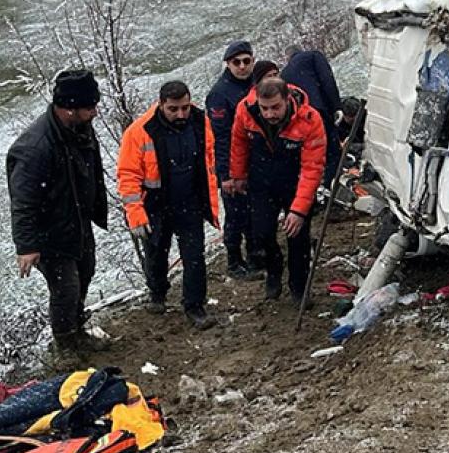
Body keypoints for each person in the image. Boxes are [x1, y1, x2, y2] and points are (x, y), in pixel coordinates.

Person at [6, 69, 109, 358]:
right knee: (66, 289)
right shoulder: (35, 147)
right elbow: (23, 199)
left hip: (77, 221)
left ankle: (78, 331)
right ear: (69, 108)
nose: (95, 112)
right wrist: (26, 246)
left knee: (86, 273)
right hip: (50, 232)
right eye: (90, 107)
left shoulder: (78, 128)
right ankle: (65, 347)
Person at [117, 81, 219, 330]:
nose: (180, 114)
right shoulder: (139, 131)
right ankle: (158, 294)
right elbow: (128, 175)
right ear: (161, 104)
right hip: (156, 204)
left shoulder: (199, 120)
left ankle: (194, 306)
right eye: (174, 109)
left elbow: (209, 155)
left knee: (194, 257)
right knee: (156, 254)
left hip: (190, 202)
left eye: (184, 107)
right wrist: (135, 214)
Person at [229, 77, 326, 305]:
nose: (270, 114)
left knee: (298, 236)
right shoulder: (246, 110)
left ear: (287, 100)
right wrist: (238, 174)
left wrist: (299, 210)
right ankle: (274, 270)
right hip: (261, 181)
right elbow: (238, 141)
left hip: (295, 181)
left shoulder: (310, 119)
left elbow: (312, 168)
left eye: (276, 108)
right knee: (261, 234)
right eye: (265, 108)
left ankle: (299, 287)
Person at [206, 41, 261, 281]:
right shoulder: (219, 94)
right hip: (232, 163)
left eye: (246, 61)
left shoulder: (256, 85)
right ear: (228, 64)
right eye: (236, 62)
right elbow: (220, 138)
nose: (242, 66)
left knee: (255, 212)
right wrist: (225, 174)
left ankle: (255, 256)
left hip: (256, 160)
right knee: (236, 215)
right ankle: (234, 260)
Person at [282, 45, 345, 190]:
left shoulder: (283, 74)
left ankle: (315, 190)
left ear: (288, 57)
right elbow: (327, 80)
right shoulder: (313, 56)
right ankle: (332, 187)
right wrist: (336, 106)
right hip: (318, 111)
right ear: (301, 50)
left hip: (299, 121)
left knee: (313, 156)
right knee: (333, 151)